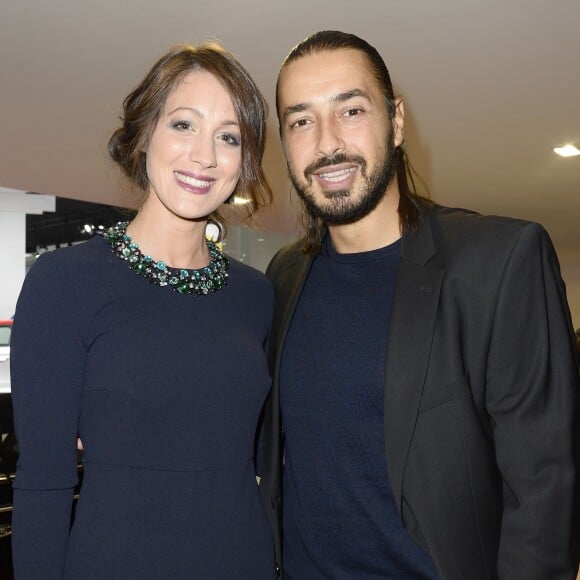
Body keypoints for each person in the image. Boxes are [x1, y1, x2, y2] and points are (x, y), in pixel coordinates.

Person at [259, 30, 580, 579]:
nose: (326, 142)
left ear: (397, 121)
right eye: (301, 121)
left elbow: (545, 492)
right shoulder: (284, 277)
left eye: (351, 109)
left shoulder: (498, 262)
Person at [11, 42, 278, 579]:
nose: (205, 155)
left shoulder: (257, 295)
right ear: (143, 136)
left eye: (229, 137)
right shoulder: (64, 283)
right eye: (184, 125)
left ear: (244, 161)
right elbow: (43, 483)